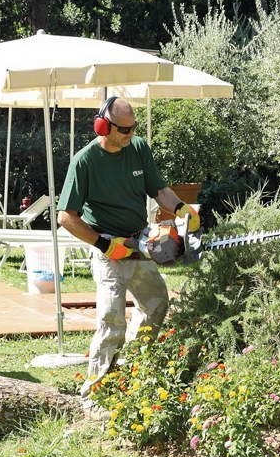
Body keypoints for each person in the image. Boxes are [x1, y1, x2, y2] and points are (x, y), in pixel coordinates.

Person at [57, 96, 200, 398]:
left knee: (156, 303)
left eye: (133, 127)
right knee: (111, 318)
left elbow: (159, 190)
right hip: (107, 247)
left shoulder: (138, 148)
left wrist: (181, 209)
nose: (130, 134)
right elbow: (66, 217)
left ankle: (130, 369)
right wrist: (105, 245)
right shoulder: (85, 161)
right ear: (103, 126)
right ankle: (94, 390)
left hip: (139, 241)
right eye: (124, 129)